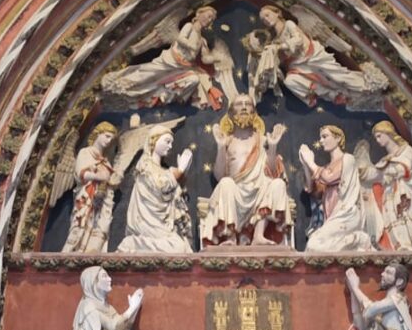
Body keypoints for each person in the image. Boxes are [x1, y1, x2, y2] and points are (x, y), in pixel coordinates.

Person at [250, 5, 385, 108]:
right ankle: (332, 95)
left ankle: (368, 86)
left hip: (313, 56)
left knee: (337, 76)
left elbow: (298, 40)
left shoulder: (289, 25)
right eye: (263, 19)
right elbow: (279, 63)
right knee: (290, 81)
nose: (266, 20)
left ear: (277, 13)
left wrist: (281, 46)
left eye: (268, 15)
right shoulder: (275, 41)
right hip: (298, 67)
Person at [201, 93, 292, 246]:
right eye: (239, 104)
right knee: (226, 183)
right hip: (235, 192)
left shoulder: (262, 140)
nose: (243, 107)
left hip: (259, 191)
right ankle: (230, 236)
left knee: (277, 184)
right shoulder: (227, 140)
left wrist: (273, 147)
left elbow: (273, 172)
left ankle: (258, 235)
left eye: (248, 104)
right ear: (231, 113)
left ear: (253, 112)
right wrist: (221, 147)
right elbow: (219, 175)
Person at [101, 6, 225, 110]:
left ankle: (151, 96)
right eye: (208, 16)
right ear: (198, 13)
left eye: (211, 19)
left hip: (183, 67)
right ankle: (121, 83)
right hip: (171, 60)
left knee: (188, 80)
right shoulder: (189, 27)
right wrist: (192, 46)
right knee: (149, 73)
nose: (209, 20)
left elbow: (205, 58)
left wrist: (217, 57)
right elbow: (181, 38)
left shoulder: (202, 40)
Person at [361, 120, 412, 251]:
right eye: (376, 138)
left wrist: (381, 172)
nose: (378, 140)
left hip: (407, 195)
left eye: (379, 136)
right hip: (390, 195)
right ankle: (401, 246)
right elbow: (375, 175)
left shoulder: (407, 151)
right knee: (392, 220)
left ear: (388, 133)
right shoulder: (385, 160)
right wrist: (361, 172)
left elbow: (403, 169)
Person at [117, 125, 194, 253]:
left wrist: (181, 176)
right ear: (154, 140)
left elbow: (171, 192)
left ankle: (137, 244)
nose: (170, 146)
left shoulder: (163, 170)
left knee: (183, 246)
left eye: (171, 143)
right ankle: (133, 243)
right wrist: (179, 171)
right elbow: (161, 185)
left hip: (162, 223)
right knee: (178, 247)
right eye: (167, 141)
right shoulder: (145, 165)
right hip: (147, 222)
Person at [299, 126, 373, 252]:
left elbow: (329, 178)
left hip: (347, 214)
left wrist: (311, 162)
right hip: (332, 217)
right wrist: (306, 165)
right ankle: (354, 242)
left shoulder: (348, 159)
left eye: (325, 136)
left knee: (314, 244)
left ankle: (358, 239)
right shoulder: (326, 167)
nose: (321, 141)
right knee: (315, 245)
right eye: (320, 138)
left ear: (338, 138)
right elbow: (315, 192)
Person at [60, 122, 121, 252]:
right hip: (87, 196)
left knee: (101, 227)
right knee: (81, 224)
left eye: (111, 139)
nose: (109, 141)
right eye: (107, 136)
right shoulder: (85, 153)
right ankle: (75, 250)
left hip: (103, 200)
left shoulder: (106, 161)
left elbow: (109, 179)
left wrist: (112, 181)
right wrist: (99, 177)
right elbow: (80, 174)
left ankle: (93, 250)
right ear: (97, 134)